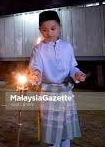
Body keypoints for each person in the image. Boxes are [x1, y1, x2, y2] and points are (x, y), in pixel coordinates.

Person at [29, 10, 86, 147]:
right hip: (48, 93)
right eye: (45, 30)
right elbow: (35, 67)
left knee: (65, 129)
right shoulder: (39, 49)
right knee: (52, 132)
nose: (49, 33)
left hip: (65, 91)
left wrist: (77, 73)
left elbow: (72, 67)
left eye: (53, 29)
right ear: (40, 30)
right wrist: (35, 74)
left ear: (59, 27)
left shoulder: (67, 47)